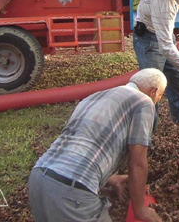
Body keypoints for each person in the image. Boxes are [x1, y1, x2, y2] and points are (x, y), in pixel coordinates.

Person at [28, 68, 167, 222]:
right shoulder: (144, 101)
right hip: (72, 191)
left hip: (38, 179)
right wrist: (139, 208)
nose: (157, 101)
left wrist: (112, 178)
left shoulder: (91, 98)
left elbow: (80, 146)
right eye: (160, 96)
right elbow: (138, 162)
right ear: (153, 91)